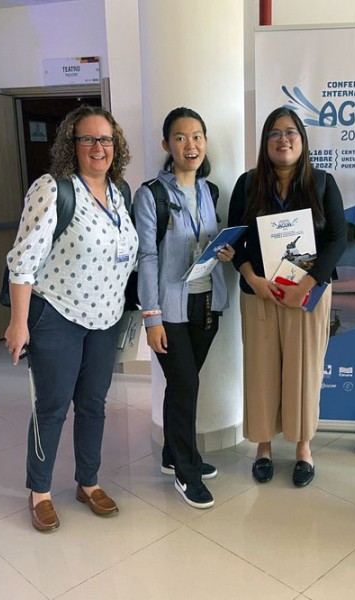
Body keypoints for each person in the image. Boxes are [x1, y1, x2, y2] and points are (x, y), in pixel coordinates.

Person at [4, 105, 138, 532]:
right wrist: (18, 323)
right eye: (89, 139)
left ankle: (89, 482)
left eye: (106, 140)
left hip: (105, 318)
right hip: (57, 315)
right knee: (52, 408)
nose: (99, 148)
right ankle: (39, 491)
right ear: (72, 145)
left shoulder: (121, 192)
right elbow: (23, 262)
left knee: (95, 406)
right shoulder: (53, 189)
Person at [228, 107, 346, 487]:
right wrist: (252, 278)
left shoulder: (323, 183)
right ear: (265, 142)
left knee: (303, 371)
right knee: (261, 371)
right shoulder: (248, 185)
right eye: (275, 133)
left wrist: (308, 284)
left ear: (302, 139)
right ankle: (263, 447)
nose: (283, 139)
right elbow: (235, 241)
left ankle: (303, 449)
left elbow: (337, 239)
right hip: (259, 292)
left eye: (291, 132)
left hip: (306, 297)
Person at [133, 107, 234, 510]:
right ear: (166, 145)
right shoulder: (151, 195)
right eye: (179, 137)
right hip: (170, 310)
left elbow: (210, 242)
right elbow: (146, 256)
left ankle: (172, 456)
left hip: (208, 302)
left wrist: (225, 252)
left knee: (182, 384)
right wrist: (151, 316)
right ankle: (187, 474)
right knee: (187, 385)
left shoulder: (210, 192)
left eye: (196, 137)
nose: (189, 145)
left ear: (205, 143)